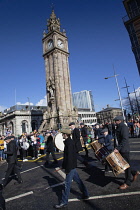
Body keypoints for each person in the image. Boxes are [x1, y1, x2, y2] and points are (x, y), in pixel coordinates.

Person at [54, 129, 89, 209]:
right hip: (71, 166)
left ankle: (64, 202)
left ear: (66, 134)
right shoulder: (69, 142)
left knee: (67, 184)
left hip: (70, 166)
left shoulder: (69, 143)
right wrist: (63, 165)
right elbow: (67, 157)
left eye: (63, 134)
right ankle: (85, 193)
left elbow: (69, 157)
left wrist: (67, 168)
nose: (62, 135)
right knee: (78, 181)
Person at [114, 116, 139, 190]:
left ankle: (127, 182)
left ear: (120, 120)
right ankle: (134, 172)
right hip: (120, 149)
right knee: (125, 165)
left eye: (116, 121)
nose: (115, 122)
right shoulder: (119, 127)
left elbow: (125, 139)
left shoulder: (123, 127)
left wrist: (118, 148)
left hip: (124, 149)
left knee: (126, 166)